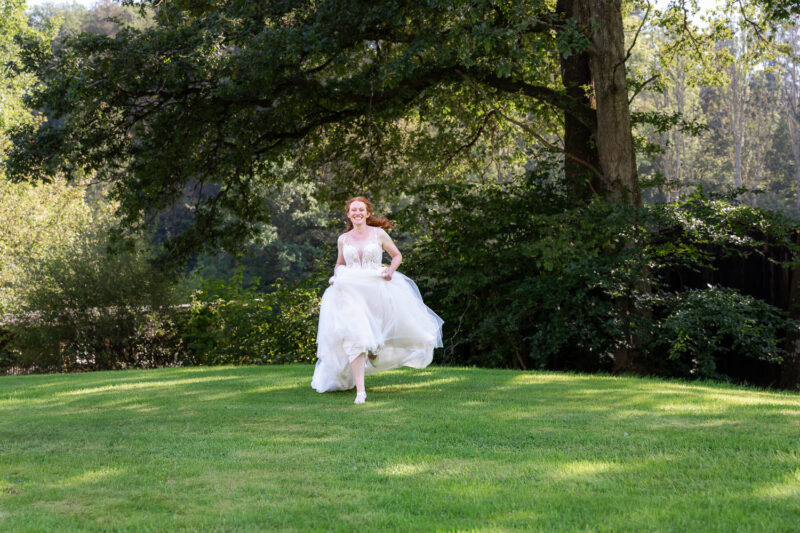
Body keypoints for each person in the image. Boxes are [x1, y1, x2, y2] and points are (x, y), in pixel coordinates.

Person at [311, 196, 443, 403]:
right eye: (353, 210)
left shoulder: (378, 234)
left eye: (361, 210)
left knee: (375, 339)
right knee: (355, 337)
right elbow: (339, 263)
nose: (357, 213)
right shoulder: (343, 239)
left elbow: (397, 255)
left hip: (377, 288)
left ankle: (374, 350)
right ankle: (361, 391)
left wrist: (390, 271)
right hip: (350, 291)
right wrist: (336, 276)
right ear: (348, 214)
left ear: (367, 213)